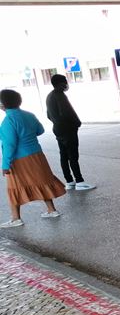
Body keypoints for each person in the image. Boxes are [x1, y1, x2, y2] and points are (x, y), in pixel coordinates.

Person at [0, 89, 66, 228]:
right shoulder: (29, 115)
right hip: (37, 155)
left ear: (2, 105)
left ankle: (16, 218)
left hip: (19, 160)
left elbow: (9, 145)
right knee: (41, 181)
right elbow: (40, 130)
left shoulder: (8, 121)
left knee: (14, 186)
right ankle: (51, 210)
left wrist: (5, 164)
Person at [46, 74, 95, 190]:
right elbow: (67, 112)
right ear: (61, 83)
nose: (67, 84)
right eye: (65, 81)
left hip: (58, 129)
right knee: (73, 155)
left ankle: (69, 181)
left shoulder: (49, 96)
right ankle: (79, 181)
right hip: (67, 129)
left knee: (63, 155)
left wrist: (56, 122)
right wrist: (77, 123)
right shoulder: (60, 95)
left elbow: (48, 114)